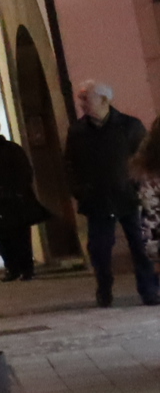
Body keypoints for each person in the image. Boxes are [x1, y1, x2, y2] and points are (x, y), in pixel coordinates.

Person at [67, 83, 157, 307]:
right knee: (99, 249)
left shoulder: (129, 125)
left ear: (105, 101)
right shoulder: (77, 131)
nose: (82, 105)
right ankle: (104, 289)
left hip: (130, 195)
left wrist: (141, 187)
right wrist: (79, 190)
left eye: (86, 100)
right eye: (82, 101)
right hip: (97, 197)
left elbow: (145, 157)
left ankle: (149, 290)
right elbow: (70, 164)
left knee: (140, 244)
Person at [0, 118, 43, 283]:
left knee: (19, 236)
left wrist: (16, 193)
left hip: (12, 201)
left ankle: (26, 268)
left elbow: (25, 173)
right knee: (1, 237)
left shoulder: (11, 150)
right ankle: (11, 268)